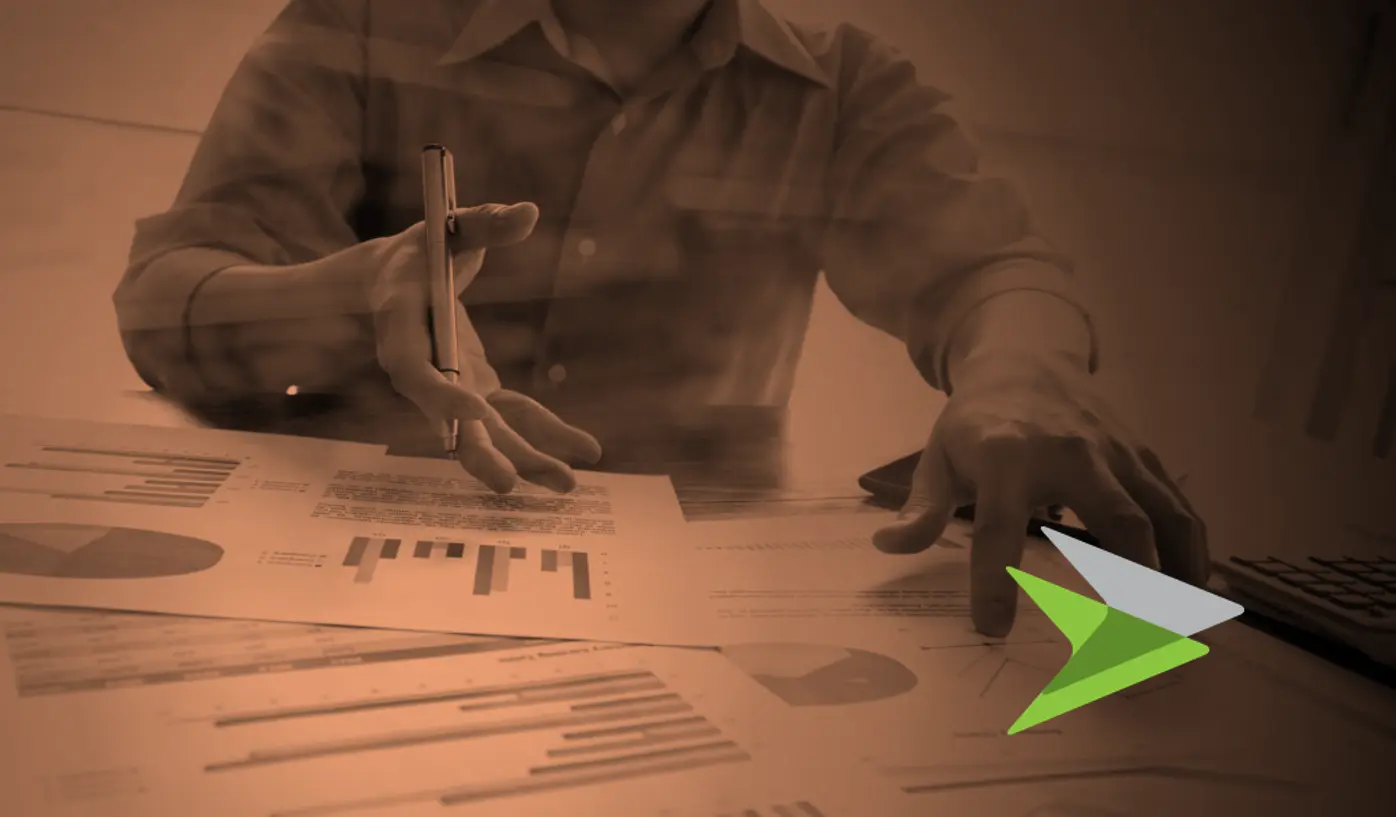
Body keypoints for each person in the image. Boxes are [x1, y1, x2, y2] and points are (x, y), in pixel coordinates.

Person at [112, 0, 1208, 636]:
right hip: (342, 599)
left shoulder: (841, 83)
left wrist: (1018, 379)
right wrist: (349, 299)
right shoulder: (359, 23)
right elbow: (165, 300)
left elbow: (997, 271)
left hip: (701, 628)